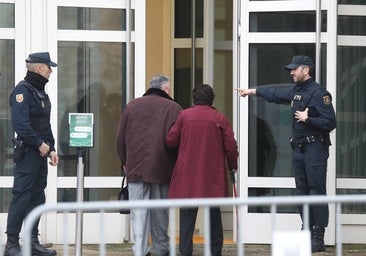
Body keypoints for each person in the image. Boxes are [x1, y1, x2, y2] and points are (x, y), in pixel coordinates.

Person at [236, 55, 336, 253]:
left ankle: (318, 236)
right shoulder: (297, 91)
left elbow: (330, 122)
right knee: (301, 192)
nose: (291, 72)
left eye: (294, 69)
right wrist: (252, 92)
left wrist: (309, 119)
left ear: (305, 70)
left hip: (315, 149)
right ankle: (306, 230)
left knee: (316, 191)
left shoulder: (319, 93)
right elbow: (276, 94)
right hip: (300, 149)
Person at [166, 84, 238, 256]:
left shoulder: (184, 116)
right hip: (212, 174)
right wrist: (232, 166)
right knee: (214, 214)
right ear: (212, 99)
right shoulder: (219, 118)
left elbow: (170, 140)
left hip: (188, 173)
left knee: (187, 216)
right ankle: (215, 251)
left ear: (194, 99)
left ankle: (185, 251)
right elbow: (231, 146)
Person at [116, 74, 182, 256]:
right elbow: (177, 140)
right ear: (166, 89)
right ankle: (161, 248)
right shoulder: (174, 108)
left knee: (139, 210)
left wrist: (124, 161)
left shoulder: (132, 106)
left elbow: (121, 137)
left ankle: (140, 249)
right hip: (162, 166)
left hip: (135, 166)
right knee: (160, 210)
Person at [5, 52, 59, 256]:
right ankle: (12, 244)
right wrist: (39, 144)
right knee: (21, 196)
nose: (51, 71)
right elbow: (21, 125)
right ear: (38, 68)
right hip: (28, 153)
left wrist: (52, 148)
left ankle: (32, 242)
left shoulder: (41, 93)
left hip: (41, 154)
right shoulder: (23, 91)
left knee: (37, 197)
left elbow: (45, 126)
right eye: (48, 67)